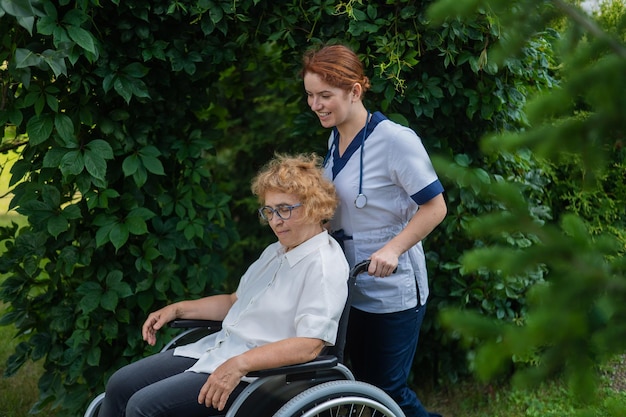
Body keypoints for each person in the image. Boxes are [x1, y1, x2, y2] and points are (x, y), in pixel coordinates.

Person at [97, 153, 349, 417]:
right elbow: (233, 302)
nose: (275, 220)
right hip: (219, 350)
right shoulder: (276, 252)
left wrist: (240, 364)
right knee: (120, 384)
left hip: (262, 378)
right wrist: (178, 309)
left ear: (314, 206)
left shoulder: (322, 265)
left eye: (285, 209)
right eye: (269, 211)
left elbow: (309, 344)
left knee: (144, 406)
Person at [301, 44, 447, 417]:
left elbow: (435, 207)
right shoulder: (335, 140)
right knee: (362, 386)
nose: (316, 105)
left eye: (325, 96)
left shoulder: (397, 141)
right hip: (349, 285)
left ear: (355, 91)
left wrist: (393, 249)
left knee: (388, 392)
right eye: (310, 95)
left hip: (391, 289)